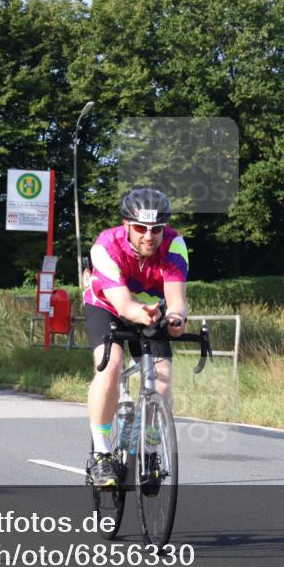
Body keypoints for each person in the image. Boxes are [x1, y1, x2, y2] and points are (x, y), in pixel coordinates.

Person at [83, 188, 189, 487]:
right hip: (108, 306)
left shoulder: (175, 245)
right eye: (141, 228)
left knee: (162, 379)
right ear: (126, 224)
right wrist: (142, 313)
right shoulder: (106, 246)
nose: (149, 236)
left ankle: (151, 450)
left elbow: (177, 300)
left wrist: (177, 318)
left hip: (152, 311)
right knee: (111, 365)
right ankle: (101, 454)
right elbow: (124, 306)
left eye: (156, 229)